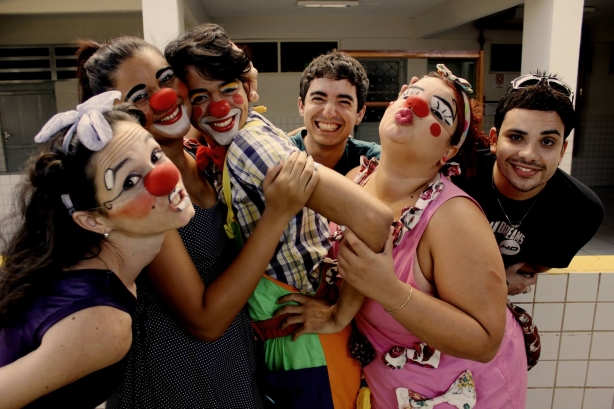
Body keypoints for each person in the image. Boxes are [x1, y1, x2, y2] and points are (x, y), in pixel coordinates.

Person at [75, 37, 319, 409]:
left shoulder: (200, 155)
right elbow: (204, 321)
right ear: (117, 115)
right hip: (177, 379)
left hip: (235, 367)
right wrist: (277, 214)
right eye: (140, 95)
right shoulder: (143, 189)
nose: (164, 98)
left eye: (167, 78)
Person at [165, 23, 393, 408]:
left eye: (227, 90)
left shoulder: (251, 147)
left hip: (305, 345)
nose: (217, 108)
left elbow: (374, 219)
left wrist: (339, 313)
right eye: (200, 96)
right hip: (290, 339)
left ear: (246, 89)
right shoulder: (239, 133)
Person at [278, 66, 528, 408]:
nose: (418, 106)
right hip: (389, 388)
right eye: (411, 95)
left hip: (465, 392)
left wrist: (388, 289)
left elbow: (485, 341)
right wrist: (333, 310)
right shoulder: (354, 181)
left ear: (448, 151)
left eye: (439, 111)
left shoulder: (453, 217)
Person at [0, 92, 195, 409]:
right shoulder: (103, 322)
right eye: (131, 180)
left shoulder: (84, 263)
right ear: (91, 219)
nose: (165, 177)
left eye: (155, 156)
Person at [454, 72, 604, 295]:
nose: (529, 155)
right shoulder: (456, 174)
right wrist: (496, 283)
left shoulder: (581, 209)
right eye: (516, 137)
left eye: (547, 142)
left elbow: (534, 268)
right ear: (494, 140)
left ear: (562, 150)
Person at [290, 51, 380, 174]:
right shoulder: (277, 151)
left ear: (359, 114)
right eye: (319, 99)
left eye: (343, 102)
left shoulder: (371, 159)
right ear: (302, 106)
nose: (329, 113)